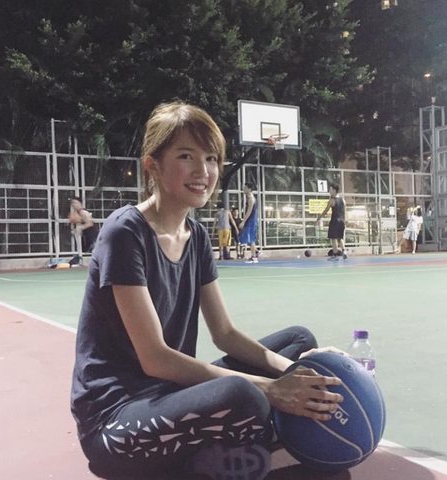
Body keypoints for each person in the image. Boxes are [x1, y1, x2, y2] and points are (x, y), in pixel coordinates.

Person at [70, 102, 343, 480]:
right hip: (117, 422)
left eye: (211, 158)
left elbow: (225, 333)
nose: (203, 171)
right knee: (244, 396)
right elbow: (156, 360)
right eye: (186, 156)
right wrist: (272, 390)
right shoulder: (125, 232)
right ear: (153, 166)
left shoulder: (196, 236)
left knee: (298, 341)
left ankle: (216, 454)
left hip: (170, 397)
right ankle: (222, 454)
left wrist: (298, 371)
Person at [315, 183, 347, 260]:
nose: (329, 191)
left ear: (334, 190)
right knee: (340, 238)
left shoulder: (331, 200)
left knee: (334, 238)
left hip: (335, 220)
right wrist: (345, 221)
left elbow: (325, 211)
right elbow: (344, 212)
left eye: (330, 189)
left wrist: (319, 218)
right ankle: (344, 251)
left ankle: (335, 255)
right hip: (342, 221)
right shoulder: (343, 200)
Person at [68, 196, 98, 264]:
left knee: (96, 253)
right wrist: (76, 230)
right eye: (73, 203)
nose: (74, 205)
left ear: (80, 203)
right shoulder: (77, 214)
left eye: (75, 203)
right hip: (87, 237)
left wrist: (81, 227)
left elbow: (90, 223)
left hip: (93, 236)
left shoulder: (84, 212)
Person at [238, 182, 259, 263]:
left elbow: (249, 211)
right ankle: (256, 252)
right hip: (251, 220)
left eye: (245, 188)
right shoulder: (249, 197)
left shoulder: (251, 199)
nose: (243, 189)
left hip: (251, 221)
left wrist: (243, 221)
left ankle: (254, 257)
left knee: (251, 239)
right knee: (249, 238)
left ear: (249, 189)